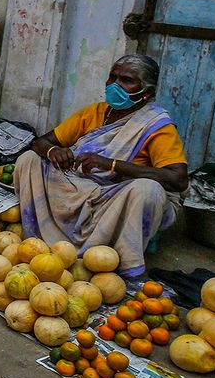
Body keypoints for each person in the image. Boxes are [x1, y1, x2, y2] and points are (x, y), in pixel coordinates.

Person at [14, 54, 189, 277]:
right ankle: (41, 242)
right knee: (29, 160)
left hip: (115, 197)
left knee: (149, 189)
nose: (115, 85)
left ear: (146, 93)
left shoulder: (156, 126)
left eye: (126, 80)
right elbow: (41, 142)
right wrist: (54, 151)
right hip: (80, 186)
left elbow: (178, 179)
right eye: (112, 77)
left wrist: (112, 164)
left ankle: (121, 265)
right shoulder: (94, 112)